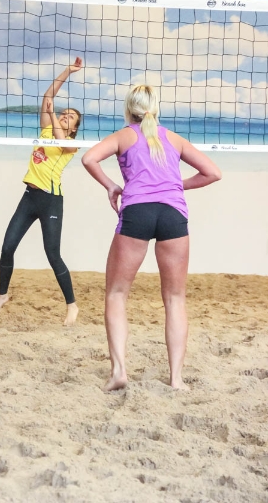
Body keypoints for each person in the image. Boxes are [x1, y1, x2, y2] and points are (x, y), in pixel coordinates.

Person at [81, 84, 222, 391]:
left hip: (138, 212)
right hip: (173, 214)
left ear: (128, 109)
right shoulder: (173, 138)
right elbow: (213, 173)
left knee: (117, 294)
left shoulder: (124, 136)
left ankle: (119, 372)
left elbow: (89, 158)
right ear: (155, 109)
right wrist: (175, 185)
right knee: (175, 298)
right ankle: (176, 379)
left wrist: (111, 186)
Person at [0, 58, 83, 326]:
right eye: (63, 113)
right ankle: (3, 295)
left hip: (51, 201)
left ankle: (72, 305)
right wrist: (68, 72)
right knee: (7, 247)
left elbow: (60, 139)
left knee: (53, 255)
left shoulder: (72, 144)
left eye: (70, 117)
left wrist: (54, 116)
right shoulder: (47, 129)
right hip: (29, 197)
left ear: (74, 128)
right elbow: (47, 97)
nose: (64, 116)